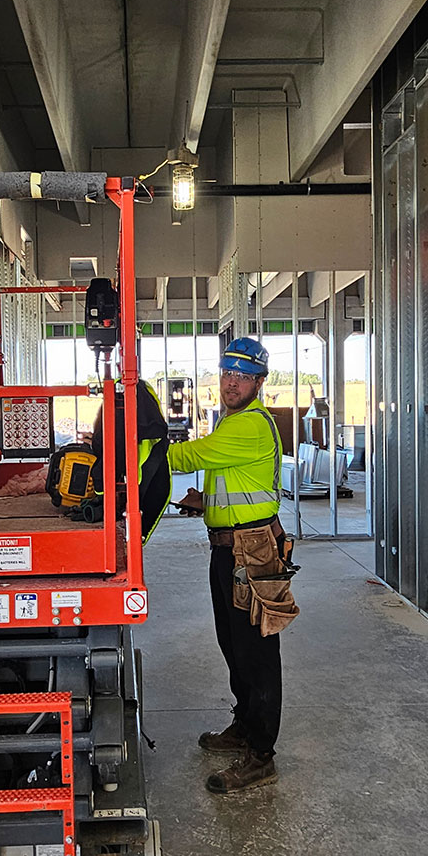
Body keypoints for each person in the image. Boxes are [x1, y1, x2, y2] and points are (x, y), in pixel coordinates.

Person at [167, 337, 297, 794]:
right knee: (233, 644)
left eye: (242, 376)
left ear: (260, 382)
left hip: (252, 551)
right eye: (226, 374)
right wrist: (206, 500)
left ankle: (261, 755)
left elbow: (192, 455)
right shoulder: (233, 421)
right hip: (227, 548)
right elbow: (227, 476)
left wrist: (140, 448)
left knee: (256, 653)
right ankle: (244, 725)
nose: (231, 383)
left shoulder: (250, 426)